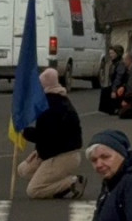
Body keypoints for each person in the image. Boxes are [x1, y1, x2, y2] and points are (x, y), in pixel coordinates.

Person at [17, 68, 87, 198]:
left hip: (64, 155)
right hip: (56, 151)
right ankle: (56, 184)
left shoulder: (51, 106)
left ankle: (73, 182)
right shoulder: (56, 99)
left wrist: (24, 131)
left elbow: (46, 136)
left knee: (33, 190)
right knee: (24, 169)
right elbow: (50, 135)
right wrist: (39, 151)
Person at [99, 45, 127, 115]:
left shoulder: (120, 64)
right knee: (105, 90)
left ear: (117, 54)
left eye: (112, 53)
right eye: (110, 53)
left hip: (122, 86)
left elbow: (118, 78)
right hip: (117, 84)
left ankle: (115, 108)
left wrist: (114, 90)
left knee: (107, 91)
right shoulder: (115, 63)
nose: (111, 55)